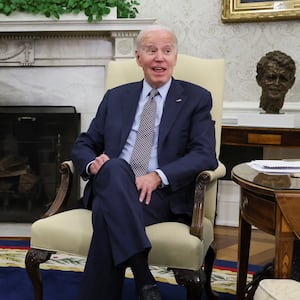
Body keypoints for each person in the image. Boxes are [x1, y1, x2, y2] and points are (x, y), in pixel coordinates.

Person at [71, 24, 218, 300]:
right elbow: (84, 143)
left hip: (160, 195)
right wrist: (93, 164)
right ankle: (144, 276)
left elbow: (205, 154)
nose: (159, 58)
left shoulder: (196, 99)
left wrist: (158, 176)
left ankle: (139, 280)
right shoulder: (116, 97)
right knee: (115, 167)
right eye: (151, 51)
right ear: (139, 58)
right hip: (115, 181)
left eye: (167, 51)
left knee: (106, 215)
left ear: (176, 57)